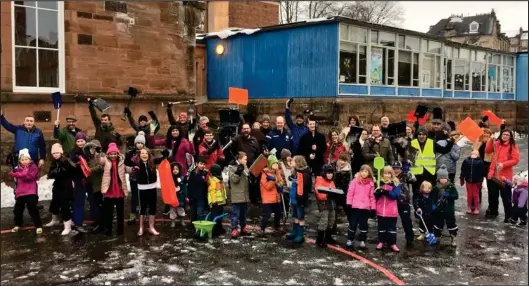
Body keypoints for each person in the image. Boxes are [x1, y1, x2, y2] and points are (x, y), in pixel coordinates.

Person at [484, 128, 520, 221]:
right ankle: (493, 211)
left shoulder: (513, 146)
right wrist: (490, 140)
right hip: (493, 175)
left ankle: (508, 216)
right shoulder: (496, 143)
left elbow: (515, 160)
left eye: (507, 135)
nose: (505, 136)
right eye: (504, 134)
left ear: (510, 136)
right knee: (492, 196)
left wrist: (503, 164)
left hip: (504, 177)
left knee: (506, 198)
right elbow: (487, 151)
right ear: (501, 135)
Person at [101, 143, 131, 236]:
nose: (113, 155)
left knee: (120, 213)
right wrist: (98, 153)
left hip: (119, 190)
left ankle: (120, 230)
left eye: (115, 154)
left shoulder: (122, 162)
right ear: (108, 154)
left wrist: (133, 169)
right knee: (108, 213)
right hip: (109, 190)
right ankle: (108, 230)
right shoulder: (105, 161)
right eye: (111, 154)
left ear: (118, 154)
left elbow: (128, 169)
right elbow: (99, 160)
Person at [9, 149, 43, 234]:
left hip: (31, 191)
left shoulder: (33, 167)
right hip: (21, 192)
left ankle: (38, 225)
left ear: (29, 159)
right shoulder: (17, 168)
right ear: (20, 160)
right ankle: (18, 224)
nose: (24, 161)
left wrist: (19, 174)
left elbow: (29, 177)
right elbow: (15, 178)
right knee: (18, 210)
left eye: (26, 159)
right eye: (22, 159)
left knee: (32, 208)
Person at [70, 132, 97, 232]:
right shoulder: (73, 152)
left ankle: (95, 219)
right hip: (79, 180)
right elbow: (72, 164)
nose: (80, 143)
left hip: (89, 179)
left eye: (82, 141)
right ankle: (78, 222)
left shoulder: (89, 151)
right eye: (78, 141)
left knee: (92, 200)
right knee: (79, 202)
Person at [46, 143, 75, 236]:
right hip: (58, 186)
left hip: (66, 187)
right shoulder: (54, 162)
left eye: (57, 153)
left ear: (61, 152)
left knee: (65, 206)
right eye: (54, 153)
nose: (55, 155)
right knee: (55, 203)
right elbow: (50, 174)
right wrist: (53, 172)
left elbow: (72, 170)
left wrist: (62, 169)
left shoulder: (66, 161)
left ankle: (67, 226)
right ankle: (55, 219)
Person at [345, 164, 375, 249]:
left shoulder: (371, 183)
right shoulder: (355, 181)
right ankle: (350, 239)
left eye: (366, 171)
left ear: (369, 173)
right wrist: (349, 203)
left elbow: (372, 197)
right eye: (362, 171)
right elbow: (350, 193)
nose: (364, 173)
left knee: (363, 225)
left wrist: (373, 208)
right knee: (353, 224)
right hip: (355, 207)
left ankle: (362, 240)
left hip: (365, 208)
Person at [285, 155, 312, 244]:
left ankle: (300, 234)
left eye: (293, 161)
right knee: (295, 216)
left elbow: (304, 188)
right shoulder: (296, 172)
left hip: (300, 200)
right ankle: (295, 231)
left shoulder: (304, 175)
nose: (291, 162)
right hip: (294, 198)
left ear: (297, 163)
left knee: (300, 217)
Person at [374, 166, 401, 252]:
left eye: (389, 173)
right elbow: (375, 196)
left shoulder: (395, 183)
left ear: (392, 174)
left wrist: (386, 192)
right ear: (382, 174)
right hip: (381, 210)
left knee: (391, 228)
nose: (387, 175)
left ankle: (392, 243)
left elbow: (395, 196)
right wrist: (377, 193)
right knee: (381, 227)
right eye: (385, 173)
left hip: (391, 211)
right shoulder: (379, 183)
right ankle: (381, 241)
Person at [134, 148, 159, 236]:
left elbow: (163, 158)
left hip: (152, 188)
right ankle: (141, 227)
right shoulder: (136, 164)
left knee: (152, 207)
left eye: (146, 153)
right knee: (142, 208)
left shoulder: (152, 163)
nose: (144, 155)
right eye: (142, 153)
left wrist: (165, 154)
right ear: (139, 155)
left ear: (149, 155)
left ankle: (151, 227)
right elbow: (127, 161)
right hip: (142, 189)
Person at [432, 165, 459, 247]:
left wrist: (449, 195)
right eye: (441, 178)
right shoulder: (436, 187)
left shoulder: (451, 186)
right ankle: (437, 237)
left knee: (451, 224)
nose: (443, 179)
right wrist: (433, 205)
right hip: (439, 210)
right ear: (438, 178)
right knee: (438, 224)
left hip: (449, 210)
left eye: (444, 178)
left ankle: (453, 237)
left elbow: (456, 196)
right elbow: (434, 197)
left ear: (447, 178)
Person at [83, 140, 106, 233]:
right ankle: (98, 222)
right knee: (96, 204)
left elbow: (102, 166)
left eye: (94, 148)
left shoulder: (101, 155)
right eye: (91, 148)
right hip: (93, 185)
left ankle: (102, 225)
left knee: (101, 205)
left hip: (100, 184)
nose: (92, 150)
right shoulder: (89, 158)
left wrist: (90, 170)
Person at [409, 126, 437, 200]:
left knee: (429, 193)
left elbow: (444, 149)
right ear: (417, 135)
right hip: (416, 174)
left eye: (424, 134)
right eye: (419, 134)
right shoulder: (412, 143)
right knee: (417, 193)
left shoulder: (432, 142)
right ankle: (417, 209)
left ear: (426, 135)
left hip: (429, 173)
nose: (421, 136)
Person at [314, 164, 339, 248]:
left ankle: (328, 237)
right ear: (324, 173)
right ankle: (320, 240)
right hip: (324, 204)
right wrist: (329, 194)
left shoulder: (331, 182)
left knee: (331, 221)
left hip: (331, 204)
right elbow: (320, 195)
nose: (330, 174)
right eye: (328, 173)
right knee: (323, 221)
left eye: (331, 173)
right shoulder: (319, 180)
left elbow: (334, 190)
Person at [259, 155, 284, 235]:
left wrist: (279, 185)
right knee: (267, 214)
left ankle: (276, 226)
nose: (277, 165)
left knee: (278, 213)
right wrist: (273, 181)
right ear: (270, 164)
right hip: (267, 198)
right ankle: (262, 228)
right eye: (274, 163)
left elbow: (281, 181)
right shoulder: (264, 174)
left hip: (276, 197)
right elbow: (268, 187)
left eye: (277, 163)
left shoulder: (277, 172)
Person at [124, 132, 146, 225]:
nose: (139, 145)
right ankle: (133, 214)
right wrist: (132, 168)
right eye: (138, 143)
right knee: (134, 196)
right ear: (135, 143)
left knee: (143, 196)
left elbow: (150, 163)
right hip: (133, 178)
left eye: (141, 143)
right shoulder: (130, 153)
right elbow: (126, 163)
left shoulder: (146, 152)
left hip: (144, 179)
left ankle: (143, 213)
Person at [392, 162, 416, 246]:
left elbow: (413, 179)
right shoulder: (390, 176)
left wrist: (409, 171)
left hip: (404, 202)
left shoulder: (405, 175)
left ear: (401, 169)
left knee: (406, 220)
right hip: (392, 202)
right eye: (394, 168)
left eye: (398, 168)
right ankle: (390, 239)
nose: (396, 170)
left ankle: (409, 238)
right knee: (391, 222)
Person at [228, 152, 251, 239]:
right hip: (237, 196)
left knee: (243, 214)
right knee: (235, 214)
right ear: (239, 159)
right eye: (245, 159)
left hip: (244, 196)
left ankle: (243, 227)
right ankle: (234, 229)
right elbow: (234, 180)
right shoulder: (232, 168)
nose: (246, 161)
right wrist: (238, 172)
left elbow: (247, 177)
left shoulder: (245, 168)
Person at [460, 150, 485, 215]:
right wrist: (462, 178)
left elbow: (482, 172)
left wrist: (480, 181)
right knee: (469, 195)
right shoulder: (466, 161)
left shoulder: (480, 162)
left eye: (476, 153)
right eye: (473, 153)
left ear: (478, 155)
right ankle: (469, 207)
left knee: (475, 195)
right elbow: (463, 170)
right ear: (470, 154)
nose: (474, 154)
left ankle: (476, 208)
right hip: (468, 181)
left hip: (476, 182)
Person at [206, 164, 227, 236]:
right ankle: (215, 230)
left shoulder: (218, 180)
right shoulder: (214, 181)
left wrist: (224, 200)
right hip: (215, 203)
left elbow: (222, 191)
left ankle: (219, 228)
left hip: (219, 203)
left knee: (219, 216)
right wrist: (214, 202)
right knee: (215, 217)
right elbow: (213, 192)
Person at [188, 157, 209, 222]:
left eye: (204, 164)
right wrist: (188, 196)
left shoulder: (205, 173)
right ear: (197, 164)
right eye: (201, 164)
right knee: (193, 214)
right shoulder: (193, 173)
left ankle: (200, 228)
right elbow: (189, 185)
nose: (203, 166)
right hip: (193, 197)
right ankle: (193, 226)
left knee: (200, 213)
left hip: (201, 197)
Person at [170, 162, 187, 228]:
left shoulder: (182, 178)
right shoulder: (170, 178)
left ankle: (182, 221)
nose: (175, 170)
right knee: (172, 210)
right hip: (172, 198)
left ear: (179, 170)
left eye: (177, 169)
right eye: (173, 169)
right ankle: (173, 221)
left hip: (180, 197)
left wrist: (185, 196)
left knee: (181, 209)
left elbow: (184, 188)